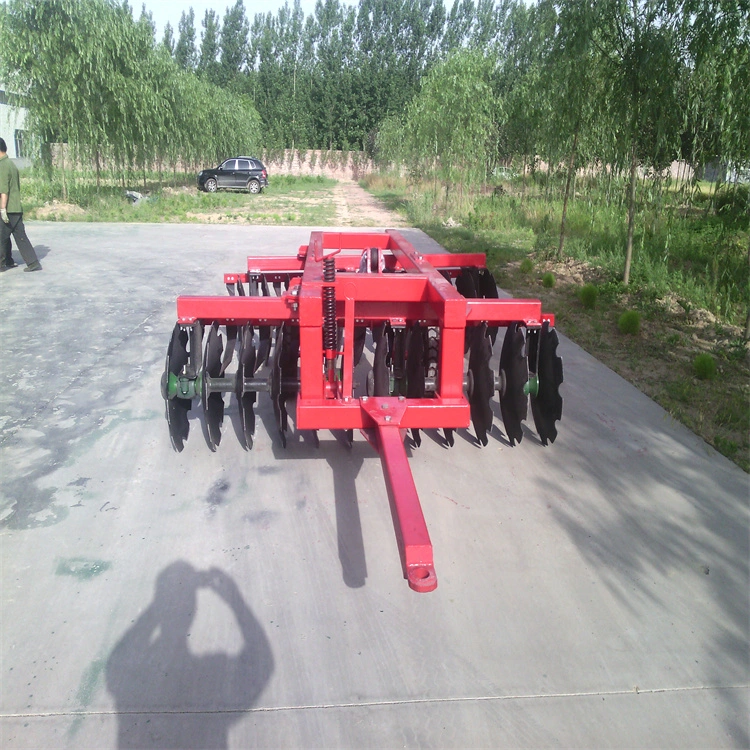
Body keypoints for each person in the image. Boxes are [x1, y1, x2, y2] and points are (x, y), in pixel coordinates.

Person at [0, 137, 42, 272]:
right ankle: (32, 262)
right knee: (20, 236)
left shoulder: (3, 166)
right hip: (16, 207)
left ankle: (2, 263)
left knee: (1, 236)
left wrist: (2, 209)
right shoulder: (11, 164)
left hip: (8, 209)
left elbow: (4, 191)